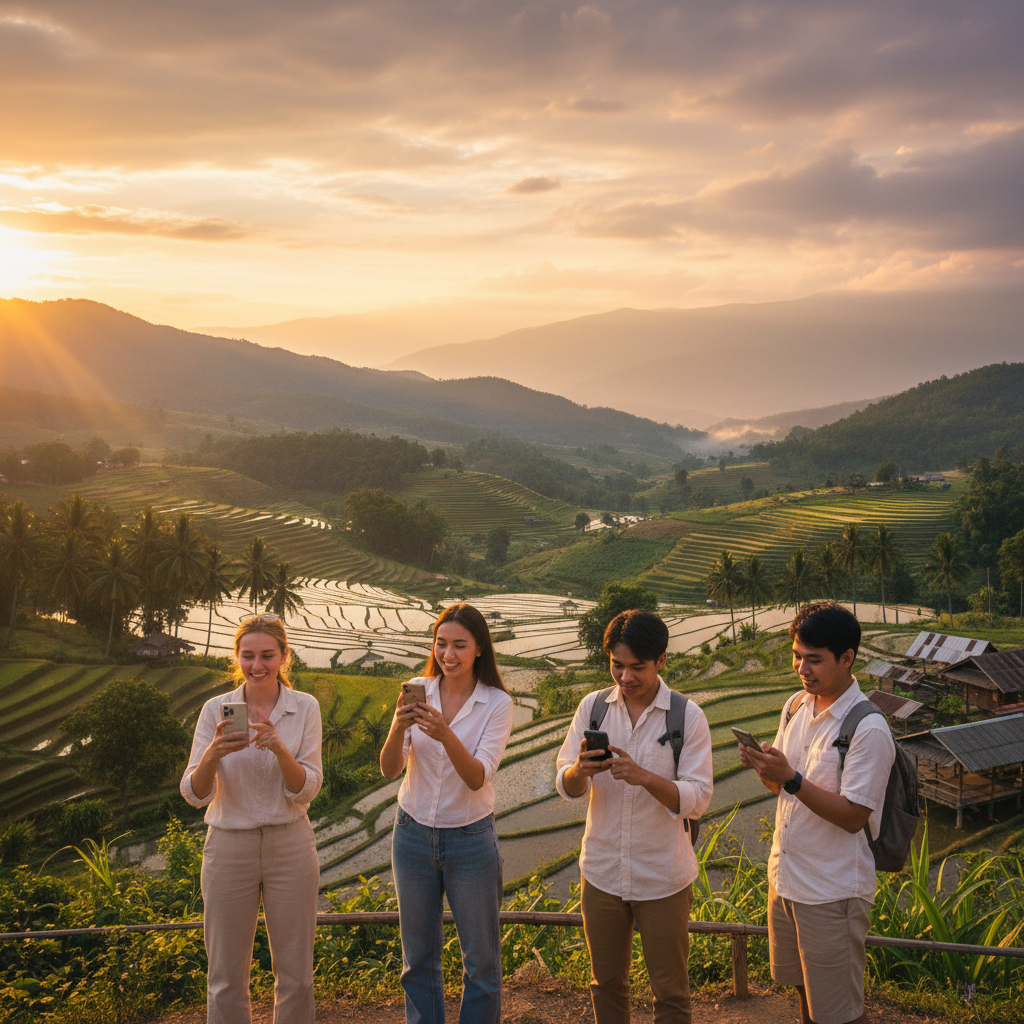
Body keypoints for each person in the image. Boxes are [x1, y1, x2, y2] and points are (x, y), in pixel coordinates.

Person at [738, 602, 895, 1024]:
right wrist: (764, 767)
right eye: (796, 655)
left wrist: (790, 777)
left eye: (814, 659)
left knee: (840, 1010)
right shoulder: (795, 706)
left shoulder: (868, 729)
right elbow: (780, 787)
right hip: (787, 880)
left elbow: (853, 817)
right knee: (805, 993)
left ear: (847, 658)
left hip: (833, 892)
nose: (802, 669)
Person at [556, 609, 713, 1024]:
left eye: (636, 667)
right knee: (605, 984)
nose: (625, 678)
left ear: (661, 660)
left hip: (662, 875)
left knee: (671, 993)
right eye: (617, 665)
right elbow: (567, 785)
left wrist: (644, 777)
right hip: (602, 872)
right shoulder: (593, 708)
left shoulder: (687, 717)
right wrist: (579, 771)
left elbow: (698, 798)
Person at [181, 613, 323, 1024]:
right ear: (236, 658)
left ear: (283, 656)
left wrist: (280, 749)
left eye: (266, 655)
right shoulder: (214, 711)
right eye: (248, 656)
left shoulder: (305, 708)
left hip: (291, 845)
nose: (257, 665)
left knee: (296, 974)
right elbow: (194, 792)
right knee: (225, 974)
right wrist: (212, 754)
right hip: (228, 846)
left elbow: (308, 788)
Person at [380, 603, 514, 1024]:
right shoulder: (418, 689)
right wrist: (399, 726)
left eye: (459, 645)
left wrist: (443, 732)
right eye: (441, 644)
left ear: (479, 650)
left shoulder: (497, 703)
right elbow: (389, 769)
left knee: (481, 962)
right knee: (417, 959)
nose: (448, 654)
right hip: (412, 834)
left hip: (471, 841)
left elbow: (477, 776)